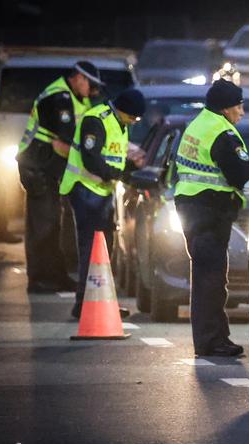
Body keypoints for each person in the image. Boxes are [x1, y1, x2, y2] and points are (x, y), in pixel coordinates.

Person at [174, 79, 249, 357]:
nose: (242, 112)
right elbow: (241, 173)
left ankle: (214, 337)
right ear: (226, 108)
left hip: (192, 207)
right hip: (209, 211)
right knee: (211, 279)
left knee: (205, 277)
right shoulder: (222, 132)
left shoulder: (198, 124)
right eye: (239, 106)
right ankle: (211, 341)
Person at [58, 88, 146, 319]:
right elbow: (91, 160)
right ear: (124, 110)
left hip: (101, 192)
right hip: (86, 191)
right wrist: (118, 173)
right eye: (133, 117)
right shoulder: (96, 120)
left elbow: (112, 156)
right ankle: (86, 304)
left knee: (103, 249)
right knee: (92, 249)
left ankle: (96, 302)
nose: (134, 122)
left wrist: (127, 170)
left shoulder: (119, 123)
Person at [16, 61, 103, 293]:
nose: (93, 92)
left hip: (47, 168)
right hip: (37, 166)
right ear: (79, 78)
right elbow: (63, 143)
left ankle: (56, 276)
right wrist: (91, 164)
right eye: (91, 85)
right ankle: (39, 279)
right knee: (42, 225)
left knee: (54, 224)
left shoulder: (75, 97)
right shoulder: (59, 98)